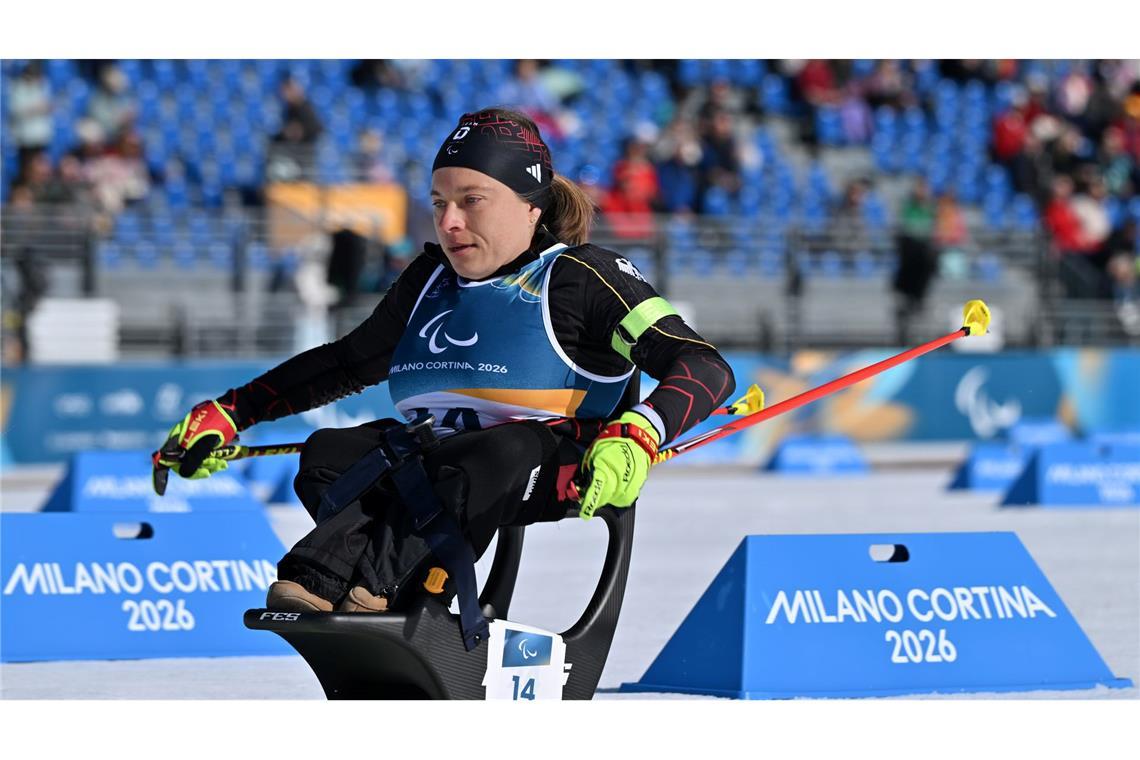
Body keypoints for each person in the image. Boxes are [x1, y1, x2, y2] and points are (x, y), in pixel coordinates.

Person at [154, 108, 735, 625]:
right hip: (431, 457)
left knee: (487, 458)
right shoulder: (427, 281)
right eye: (438, 203)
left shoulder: (585, 277)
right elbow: (345, 363)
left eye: (471, 201)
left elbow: (703, 366)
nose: (449, 221)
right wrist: (233, 412)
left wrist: (640, 432)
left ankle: (375, 585)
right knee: (327, 456)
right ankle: (340, 583)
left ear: (530, 207)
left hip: (544, 465)